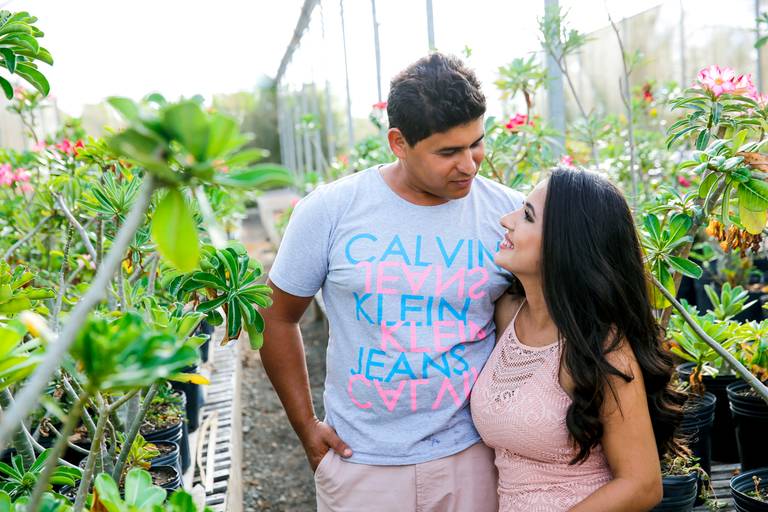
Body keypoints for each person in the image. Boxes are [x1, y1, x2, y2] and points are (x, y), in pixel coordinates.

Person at [259, 52, 523, 511]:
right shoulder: (331, 210)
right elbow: (276, 317)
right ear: (398, 142)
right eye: (448, 152)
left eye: (477, 143)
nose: (469, 165)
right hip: (361, 462)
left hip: (474, 456)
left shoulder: (509, 215)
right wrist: (306, 428)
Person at [471, 167, 685, 511]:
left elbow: (643, 485)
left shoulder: (603, 350)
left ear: (566, 244)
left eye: (527, 216)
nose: (506, 220)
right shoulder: (506, 313)